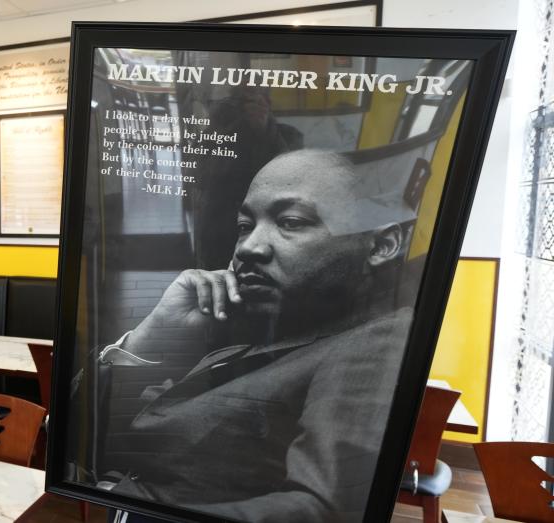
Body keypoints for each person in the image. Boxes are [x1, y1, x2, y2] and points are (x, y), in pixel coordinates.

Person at [101, 149, 417, 522]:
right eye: (244, 226)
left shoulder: (378, 340)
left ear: (381, 246)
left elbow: (324, 511)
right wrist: (151, 337)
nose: (249, 247)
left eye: (292, 222)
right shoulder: (264, 324)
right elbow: (81, 430)